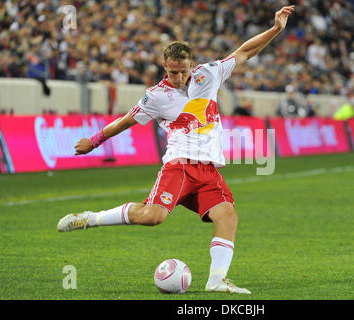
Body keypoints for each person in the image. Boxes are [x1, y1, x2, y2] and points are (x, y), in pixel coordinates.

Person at [57, 5, 296, 295]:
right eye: (172, 72)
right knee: (153, 217)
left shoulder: (209, 74)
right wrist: (94, 141)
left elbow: (244, 52)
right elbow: (127, 121)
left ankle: (216, 280)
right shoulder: (156, 96)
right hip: (179, 167)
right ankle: (90, 219)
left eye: (182, 72)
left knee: (227, 216)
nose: (178, 78)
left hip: (208, 170)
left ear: (191, 66)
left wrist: (275, 30)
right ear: (164, 67)